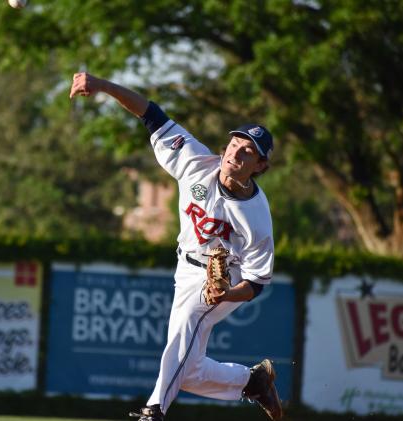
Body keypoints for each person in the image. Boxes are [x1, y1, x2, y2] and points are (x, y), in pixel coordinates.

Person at [69, 72, 283, 421]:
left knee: (186, 324)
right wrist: (104, 86)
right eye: (235, 143)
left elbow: (257, 282)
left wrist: (225, 295)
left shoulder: (257, 217)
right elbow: (151, 114)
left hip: (226, 278)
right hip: (185, 268)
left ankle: (155, 410)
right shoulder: (196, 162)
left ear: (260, 166)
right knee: (187, 370)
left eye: (249, 151)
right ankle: (252, 382)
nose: (237, 152)